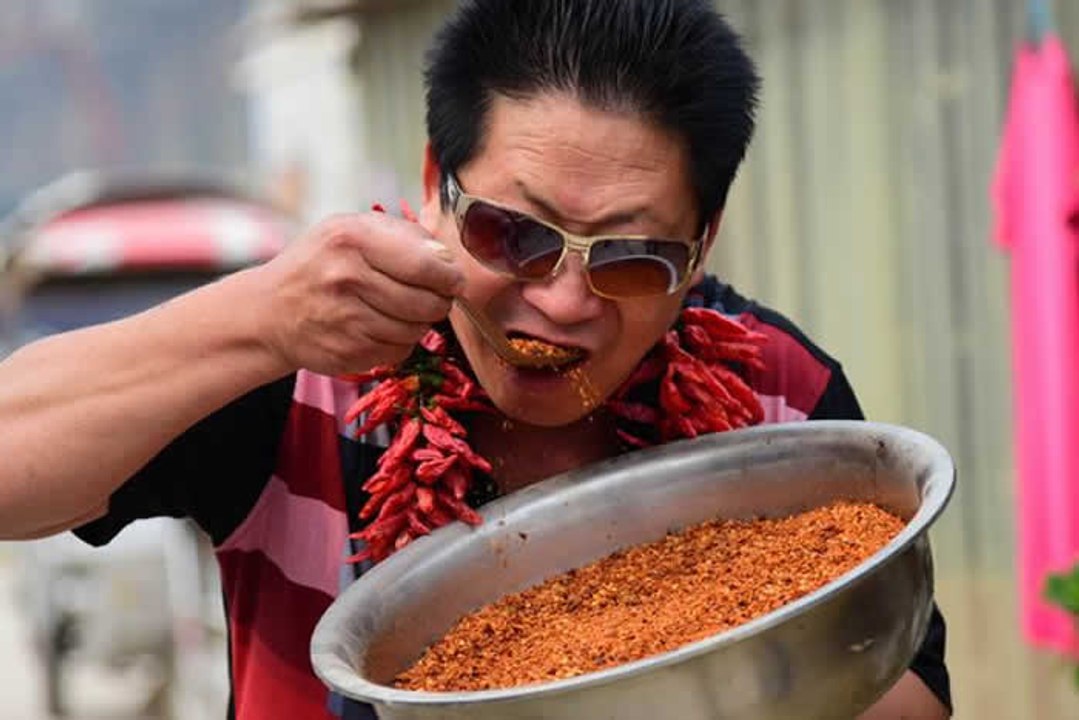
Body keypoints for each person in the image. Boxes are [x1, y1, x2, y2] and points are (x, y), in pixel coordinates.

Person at [0, 1, 951, 718]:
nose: (562, 301)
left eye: (631, 258)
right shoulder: (301, 372)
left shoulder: (778, 393)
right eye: (513, 233)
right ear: (432, 187)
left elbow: (907, 682)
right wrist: (259, 320)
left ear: (701, 246)